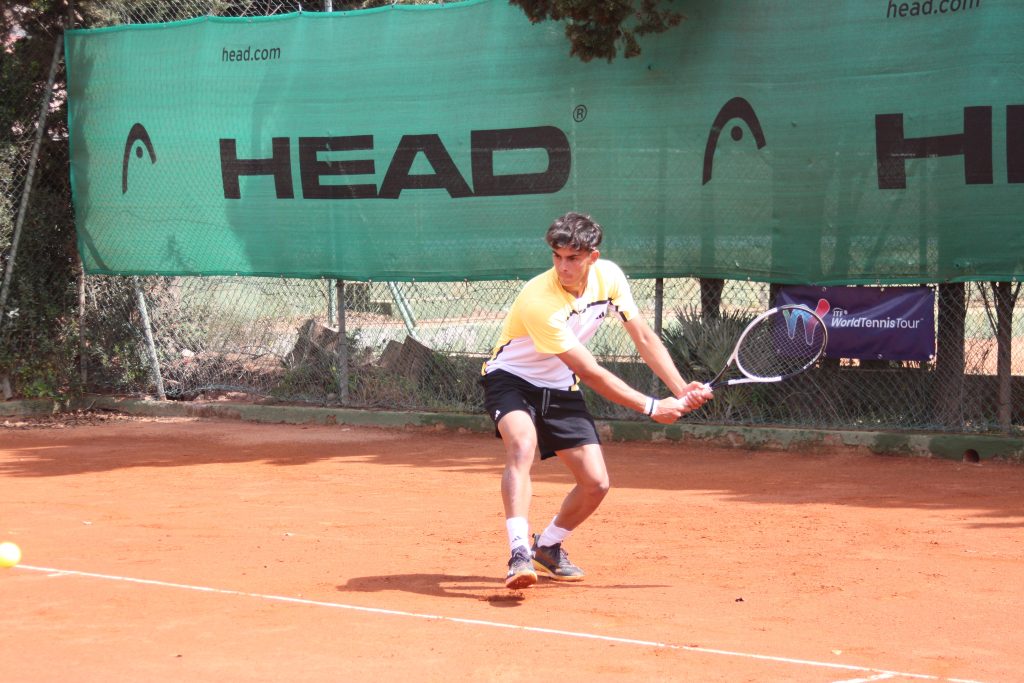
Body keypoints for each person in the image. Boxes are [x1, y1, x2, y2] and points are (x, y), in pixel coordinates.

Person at [480, 211, 714, 589]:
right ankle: (519, 553)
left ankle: (549, 547)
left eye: (572, 257)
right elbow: (591, 372)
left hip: (558, 384)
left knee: (596, 483)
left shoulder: (610, 277)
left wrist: (680, 388)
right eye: (556, 256)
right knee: (523, 444)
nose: (562, 266)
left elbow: (643, 337)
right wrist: (653, 408)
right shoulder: (540, 300)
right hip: (512, 379)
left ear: (593, 256)